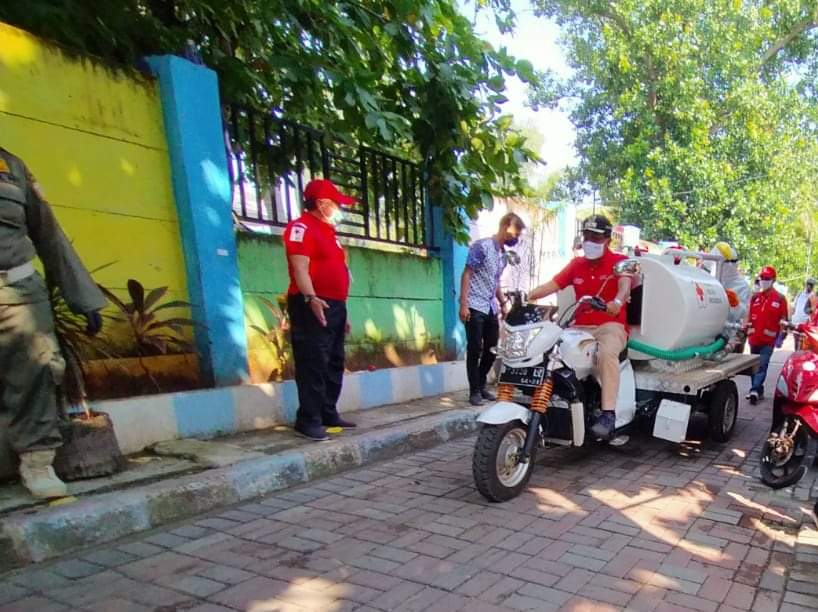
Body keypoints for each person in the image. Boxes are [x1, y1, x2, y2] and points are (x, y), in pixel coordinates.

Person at [0, 148, 106, 498]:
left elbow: (48, 233)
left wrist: (84, 297)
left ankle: (37, 463)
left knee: (38, 370)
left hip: (18, 292)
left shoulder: (10, 166)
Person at [528, 215, 631, 439]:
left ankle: (608, 414)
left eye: (596, 237)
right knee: (549, 350)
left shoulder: (618, 261)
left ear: (607, 239)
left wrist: (617, 302)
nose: (590, 241)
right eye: (586, 236)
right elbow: (551, 285)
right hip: (579, 327)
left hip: (610, 326)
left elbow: (625, 286)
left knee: (606, 353)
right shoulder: (576, 265)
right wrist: (528, 296)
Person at [283, 179, 358, 441]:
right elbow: (299, 268)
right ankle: (308, 419)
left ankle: (328, 412)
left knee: (334, 360)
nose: (339, 208)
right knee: (313, 361)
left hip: (335, 305)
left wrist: (343, 312)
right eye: (336, 203)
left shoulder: (328, 232)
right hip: (312, 303)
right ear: (321, 203)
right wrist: (311, 297)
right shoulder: (301, 228)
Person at [459, 212, 526, 406]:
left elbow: (495, 281)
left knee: (491, 349)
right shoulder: (482, 247)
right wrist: (463, 304)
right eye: (516, 232)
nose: (516, 237)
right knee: (475, 348)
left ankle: (481, 385)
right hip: (473, 304)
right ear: (505, 226)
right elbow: (467, 274)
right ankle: (474, 391)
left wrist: (503, 303)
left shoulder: (503, 255)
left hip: (489, 306)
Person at [744, 266, 788, 404]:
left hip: (768, 341)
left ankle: (754, 390)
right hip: (754, 339)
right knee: (754, 366)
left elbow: (784, 319)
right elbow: (748, 317)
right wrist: (745, 330)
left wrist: (782, 336)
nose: (763, 281)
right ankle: (758, 390)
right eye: (762, 278)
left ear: (773, 280)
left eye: (767, 278)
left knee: (762, 365)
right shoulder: (755, 298)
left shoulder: (780, 299)